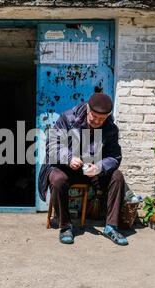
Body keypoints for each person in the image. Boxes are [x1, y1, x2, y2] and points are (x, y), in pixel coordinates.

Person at [38, 92, 127, 246]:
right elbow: (52, 146)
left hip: (90, 171)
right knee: (58, 180)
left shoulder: (111, 128)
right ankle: (65, 226)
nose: (97, 121)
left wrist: (99, 167)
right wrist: (69, 158)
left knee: (117, 176)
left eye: (102, 119)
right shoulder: (67, 118)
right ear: (87, 108)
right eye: (94, 117)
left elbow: (114, 156)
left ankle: (111, 227)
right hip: (64, 167)